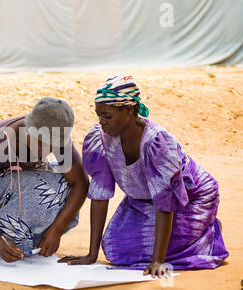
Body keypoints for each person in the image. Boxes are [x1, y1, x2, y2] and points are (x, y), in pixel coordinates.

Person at [59, 75, 229, 277]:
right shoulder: (102, 139)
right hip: (143, 200)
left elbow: (165, 202)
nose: (102, 122)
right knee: (115, 250)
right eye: (99, 116)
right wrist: (92, 254)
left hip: (190, 198)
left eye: (108, 116)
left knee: (144, 253)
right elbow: (100, 195)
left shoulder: (158, 142)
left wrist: (157, 261)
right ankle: (185, 236)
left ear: (128, 110)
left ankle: (206, 235)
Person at [0, 97, 89, 262]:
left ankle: (24, 239)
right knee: (36, 188)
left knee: (62, 186)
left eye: (53, 145)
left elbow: (80, 183)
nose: (49, 149)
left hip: (10, 182)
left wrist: (57, 229)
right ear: (29, 129)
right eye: (43, 143)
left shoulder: (56, 134)